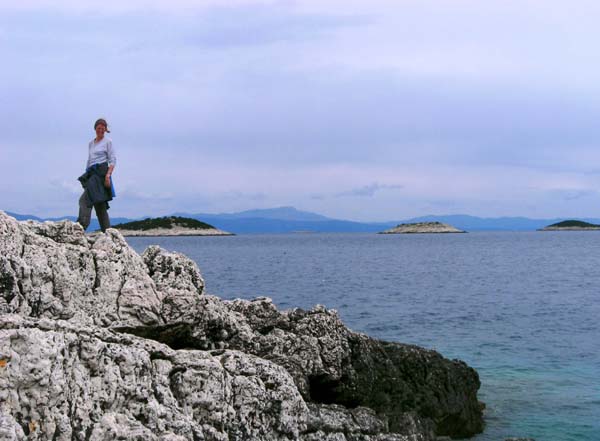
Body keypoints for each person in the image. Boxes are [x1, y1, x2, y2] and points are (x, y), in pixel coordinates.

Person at [76, 118, 116, 232]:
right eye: (99, 128)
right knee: (99, 203)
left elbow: (113, 160)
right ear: (95, 129)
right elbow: (89, 160)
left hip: (101, 173)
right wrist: (87, 174)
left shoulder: (108, 142)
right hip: (91, 173)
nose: (100, 131)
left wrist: (108, 176)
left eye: (103, 129)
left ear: (105, 130)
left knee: (84, 200)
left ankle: (81, 226)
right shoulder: (91, 143)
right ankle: (108, 233)